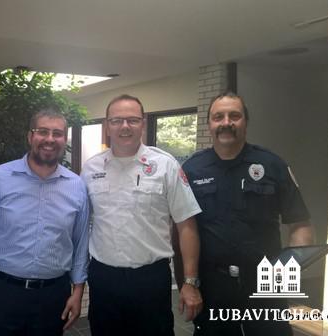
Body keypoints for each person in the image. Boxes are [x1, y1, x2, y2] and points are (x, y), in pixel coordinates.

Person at [181, 91, 314, 336]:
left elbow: (300, 223)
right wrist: (188, 283)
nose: (226, 123)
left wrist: (289, 271)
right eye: (218, 117)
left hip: (264, 283)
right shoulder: (192, 168)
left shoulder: (272, 165)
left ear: (245, 122)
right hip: (214, 285)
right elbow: (182, 228)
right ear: (209, 124)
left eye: (234, 116)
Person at [81, 94, 203, 336]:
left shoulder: (165, 165)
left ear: (143, 123)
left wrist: (189, 282)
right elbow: (80, 225)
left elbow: (186, 225)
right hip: (104, 278)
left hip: (150, 279)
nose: (124, 126)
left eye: (132, 120)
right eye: (116, 120)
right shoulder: (91, 168)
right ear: (107, 126)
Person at [0, 107, 90, 336]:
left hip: (53, 296)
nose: (50, 139)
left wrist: (78, 290)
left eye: (57, 133)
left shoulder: (76, 186)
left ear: (64, 139)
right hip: (2, 293)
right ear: (30, 136)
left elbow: (81, 243)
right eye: (43, 131)